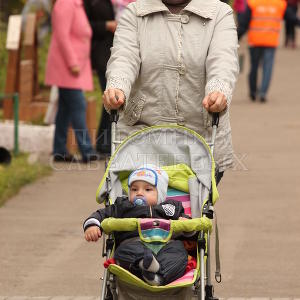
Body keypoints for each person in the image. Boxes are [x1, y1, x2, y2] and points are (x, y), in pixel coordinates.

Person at [102, 0, 239, 181]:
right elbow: (124, 58)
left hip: (201, 142)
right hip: (139, 141)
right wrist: (116, 87)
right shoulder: (135, 13)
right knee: (139, 207)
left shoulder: (219, 13)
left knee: (193, 207)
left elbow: (223, 61)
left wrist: (218, 92)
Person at [83, 165, 188, 286]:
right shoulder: (123, 206)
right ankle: (144, 263)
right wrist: (92, 225)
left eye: (147, 190)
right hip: (134, 243)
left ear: (160, 193)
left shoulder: (171, 207)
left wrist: (186, 223)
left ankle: (158, 277)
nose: (139, 193)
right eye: (134, 189)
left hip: (167, 244)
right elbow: (102, 214)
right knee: (122, 252)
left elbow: (190, 225)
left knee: (179, 254)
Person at [45, 0, 97, 163]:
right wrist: (72, 63)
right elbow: (62, 36)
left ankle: (59, 151)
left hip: (73, 67)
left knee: (65, 109)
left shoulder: (76, 4)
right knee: (78, 105)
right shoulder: (65, 3)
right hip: (67, 67)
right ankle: (87, 151)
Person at [238, 0, 300, 102]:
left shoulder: (253, 2)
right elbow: (292, 18)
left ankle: (253, 92)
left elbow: (244, 23)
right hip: (270, 41)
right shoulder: (279, 3)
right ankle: (263, 93)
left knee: (254, 67)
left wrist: (237, 37)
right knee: (267, 68)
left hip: (255, 40)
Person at [84, 0, 117, 157]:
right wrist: (106, 25)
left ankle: (105, 143)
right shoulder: (88, 2)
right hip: (100, 54)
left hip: (111, 53)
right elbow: (84, 26)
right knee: (109, 99)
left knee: (111, 101)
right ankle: (103, 144)